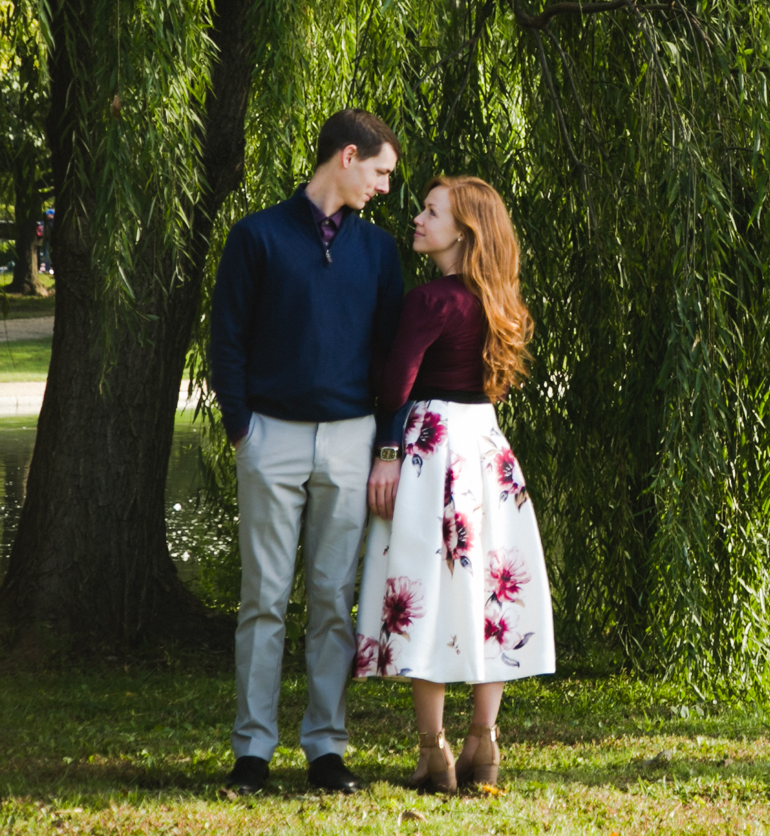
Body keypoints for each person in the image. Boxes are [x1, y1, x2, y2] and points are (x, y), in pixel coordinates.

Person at [206, 108, 405, 795]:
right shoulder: (256, 235)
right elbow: (225, 342)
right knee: (261, 597)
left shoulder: (378, 251)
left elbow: (392, 360)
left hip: (352, 439)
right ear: (347, 156)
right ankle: (252, 751)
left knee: (331, 597)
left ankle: (326, 748)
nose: (384, 187)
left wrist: (386, 443)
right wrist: (244, 432)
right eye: (380, 171)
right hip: (271, 438)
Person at [357, 175, 554, 793]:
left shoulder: (431, 300)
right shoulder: (498, 298)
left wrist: (385, 435)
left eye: (430, 211)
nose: (416, 218)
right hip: (485, 446)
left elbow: (395, 386)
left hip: (432, 445)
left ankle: (433, 750)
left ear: (463, 232)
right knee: (487, 589)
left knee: (428, 585)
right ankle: (485, 741)